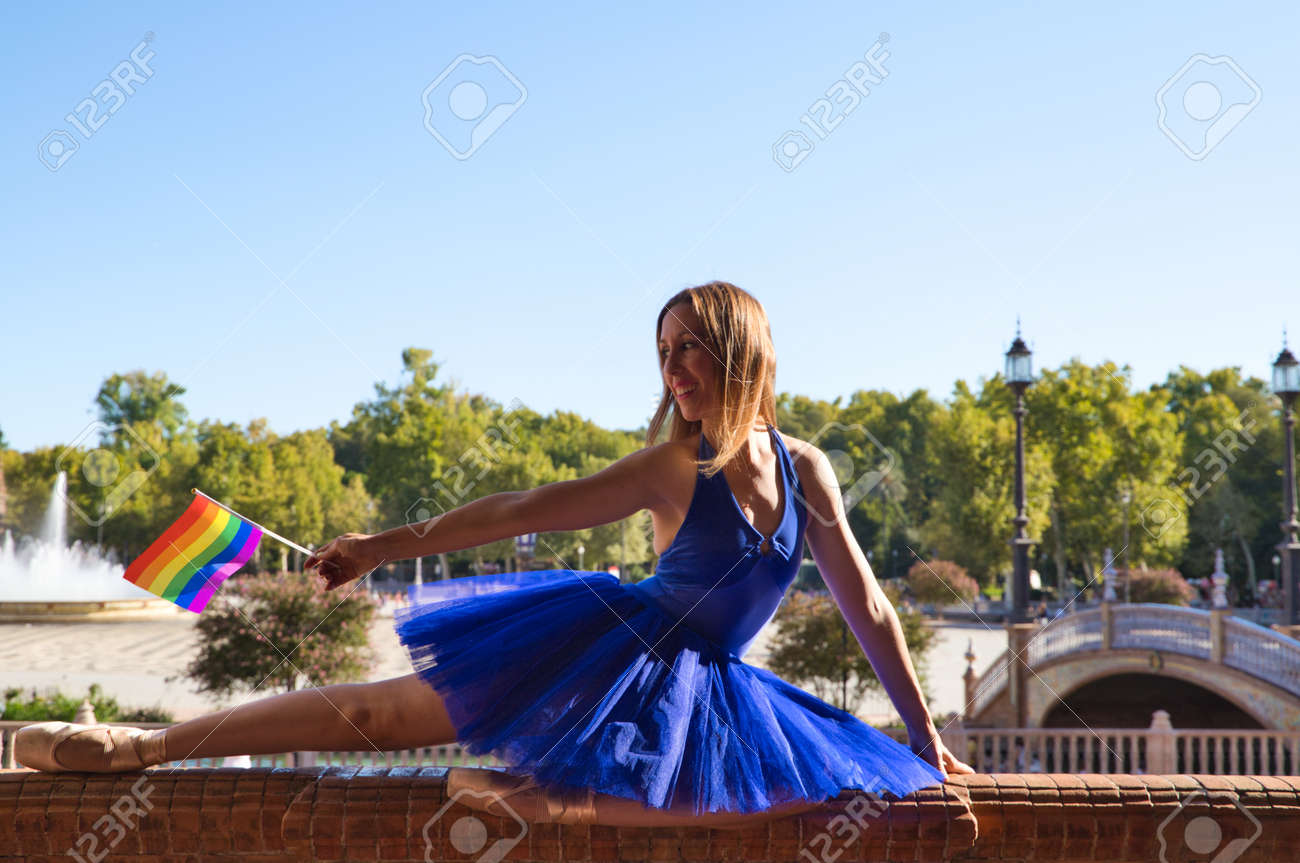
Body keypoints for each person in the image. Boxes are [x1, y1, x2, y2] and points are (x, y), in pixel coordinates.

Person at [17, 281, 973, 826]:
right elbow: (525, 506)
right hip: (606, 642)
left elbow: (872, 611)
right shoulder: (673, 464)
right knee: (375, 712)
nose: (674, 370)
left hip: (712, 686)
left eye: (691, 349)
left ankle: (504, 790)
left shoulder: (808, 470)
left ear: (744, 352)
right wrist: (382, 547)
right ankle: (147, 745)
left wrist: (926, 736)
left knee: (795, 804)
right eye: (665, 352)